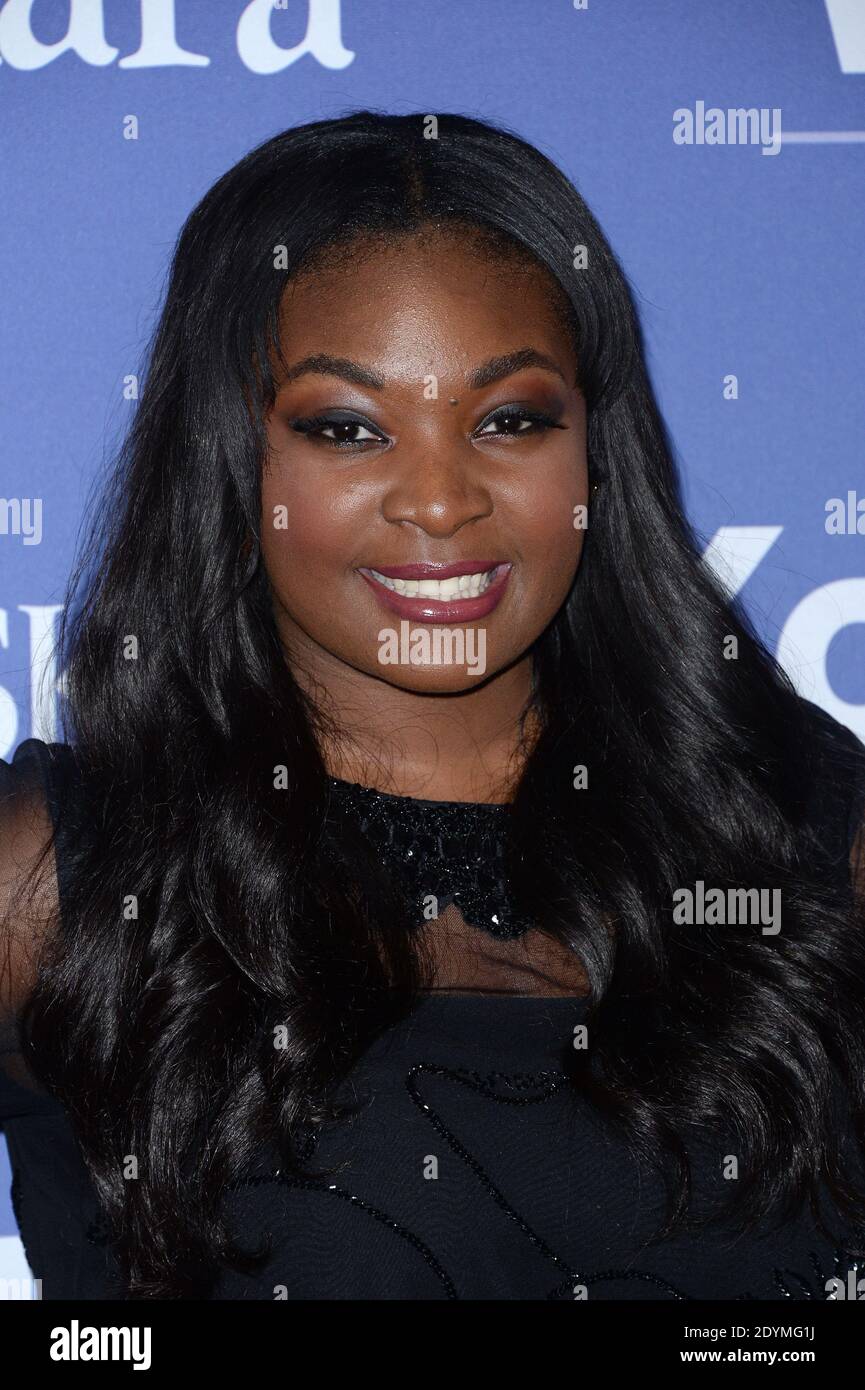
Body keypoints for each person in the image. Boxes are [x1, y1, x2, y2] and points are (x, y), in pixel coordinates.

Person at [1, 109, 864, 1302]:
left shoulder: (804, 833)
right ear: (231, 456)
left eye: (508, 418)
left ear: (592, 446)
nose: (444, 501)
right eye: (346, 428)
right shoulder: (58, 876)